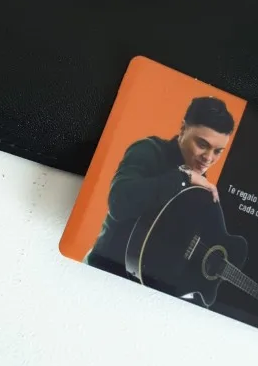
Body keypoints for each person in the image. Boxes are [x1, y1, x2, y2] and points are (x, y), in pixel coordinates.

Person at [86, 96, 235, 278]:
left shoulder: (200, 185)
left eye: (218, 151)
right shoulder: (148, 150)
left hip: (143, 284)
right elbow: (118, 203)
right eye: (202, 145)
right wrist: (184, 177)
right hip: (100, 270)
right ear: (183, 129)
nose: (209, 158)